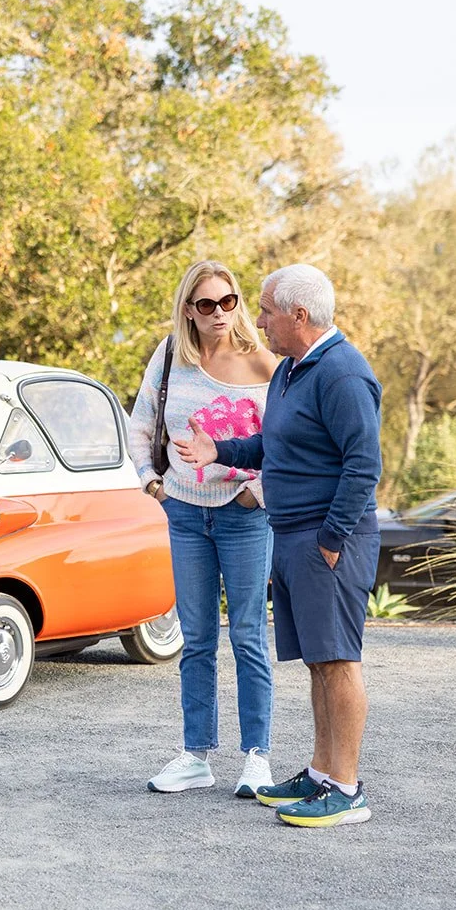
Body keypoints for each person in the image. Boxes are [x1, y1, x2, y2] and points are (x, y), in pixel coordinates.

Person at [175, 262, 383, 828]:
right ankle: (320, 774)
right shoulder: (292, 370)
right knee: (318, 662)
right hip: (291, 536)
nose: (257, 319)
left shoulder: (342, 373)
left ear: (298, 314)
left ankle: (346, 789)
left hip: (325, 541)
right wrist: (221, 451)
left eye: (265, 309)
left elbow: (364, 465)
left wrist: (333, 539)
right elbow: (275, 443)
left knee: (339, 662)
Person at [129, 260, 277, 798]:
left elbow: (285, 442)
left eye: (230, 301)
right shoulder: (170, 357)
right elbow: (142, 423)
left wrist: (253, 492)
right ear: (189, 310)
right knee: (195, 641)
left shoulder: (264, 363)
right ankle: (196, 755)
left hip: (244, 518)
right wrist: (152, 483)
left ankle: (257, 757)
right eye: (207, 304)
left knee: (246, 636)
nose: (220, 314)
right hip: (185, 515)